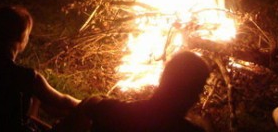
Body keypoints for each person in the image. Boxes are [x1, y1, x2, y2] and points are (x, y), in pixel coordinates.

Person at [0, 5, 80, 131]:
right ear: (21, 37)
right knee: (87, 109)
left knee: (37, 97)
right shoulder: (27, 77)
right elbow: (62, 101)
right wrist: (87, 103)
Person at [55, 50, 211, 132]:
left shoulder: (114, 112)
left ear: (163, 80)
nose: (197, 98)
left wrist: (96, 100)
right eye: (198, 90)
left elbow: (93, 106)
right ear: (187, 94)